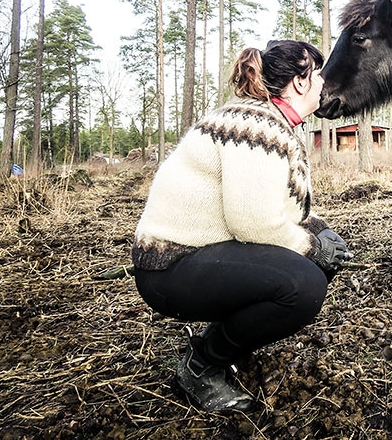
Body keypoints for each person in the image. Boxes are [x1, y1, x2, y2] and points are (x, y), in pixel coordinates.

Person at [131, 40, 351, 413]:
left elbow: (280, 209)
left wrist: (319, 229)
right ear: (300, 80)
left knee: (307, 267)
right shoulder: (256, 126)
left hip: (198, 256)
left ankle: (224, 341)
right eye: (318, 75)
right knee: (303, 284)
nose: (323, 84)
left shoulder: (271, 122)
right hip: (170, 265)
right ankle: (202, 365)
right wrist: (313, 247)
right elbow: (255, 222)